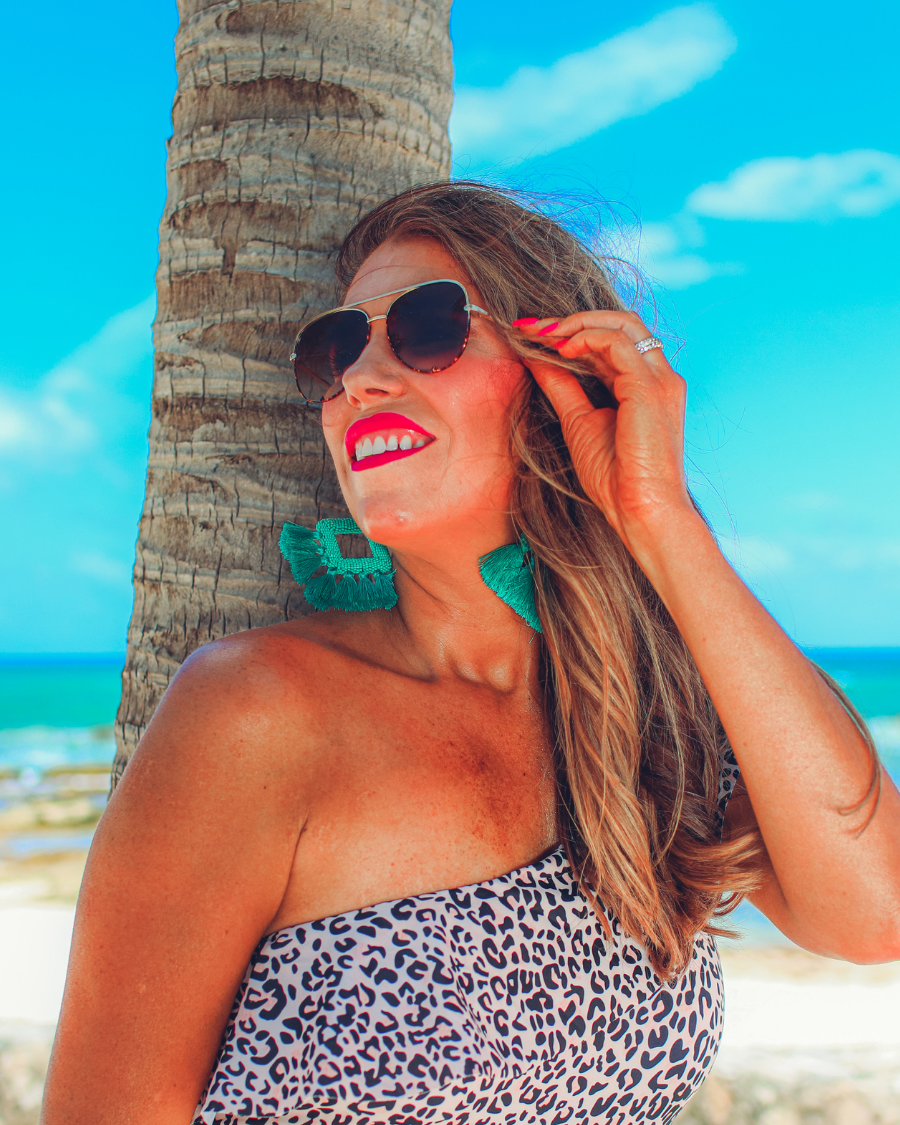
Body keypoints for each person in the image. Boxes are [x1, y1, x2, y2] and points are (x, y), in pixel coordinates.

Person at [41, 182, 900, 1125]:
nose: (361, 378)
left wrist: (657, 516)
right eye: (336, 349)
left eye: (426, 327)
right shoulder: (257, 710)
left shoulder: (649, 718)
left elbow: (876, 911)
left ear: (558, 372)